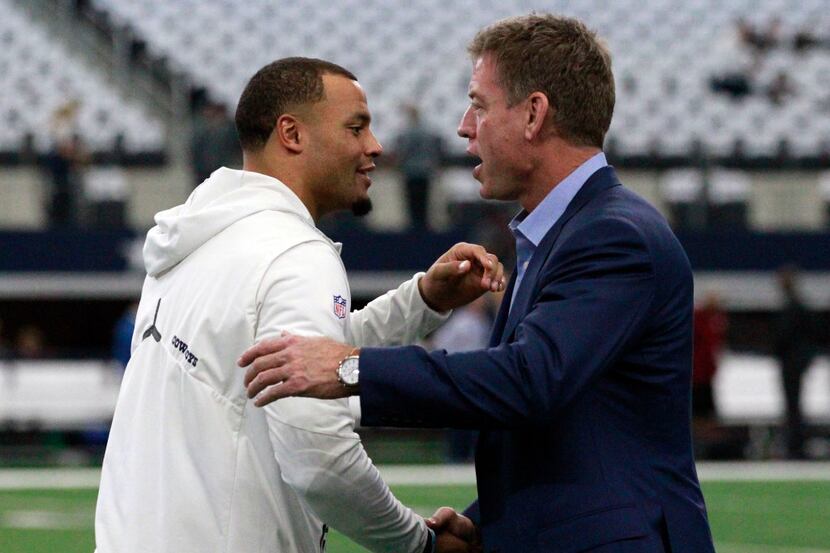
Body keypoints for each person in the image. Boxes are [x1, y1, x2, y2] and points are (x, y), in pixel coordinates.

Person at [240, 14, 716, 553]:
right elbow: (569, 432)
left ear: (534, 114)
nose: (465, 126)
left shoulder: (613, 235)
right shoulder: (560, 235)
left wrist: (350, 367)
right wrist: (484, 525)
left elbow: (528, 382)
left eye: (480, 106)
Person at [95, 57, 504, 553]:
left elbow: (295, 364)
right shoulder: (294, 255)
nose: (374, 146)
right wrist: (420, 543)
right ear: (291, 133)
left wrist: (420, 302)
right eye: (356, 127)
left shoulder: (196, 236)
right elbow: (320, 457)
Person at [774, 266, 818, 459]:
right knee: (793, 405)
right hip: (793, 362)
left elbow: (786, 337)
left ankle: (796, 446)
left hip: (792, 364)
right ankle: (795, 444)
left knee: (793, 405)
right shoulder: (796, 306)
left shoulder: (794, 308)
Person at [393, 104, 445, 229]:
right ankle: (424, 226)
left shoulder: (407, 132)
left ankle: (413, 226)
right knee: (424, 201)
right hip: (425, 170)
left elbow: (403, 152)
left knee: (412, 202)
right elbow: (434, 151)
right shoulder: (428, 132)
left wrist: (398, 165)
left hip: (410, 171)